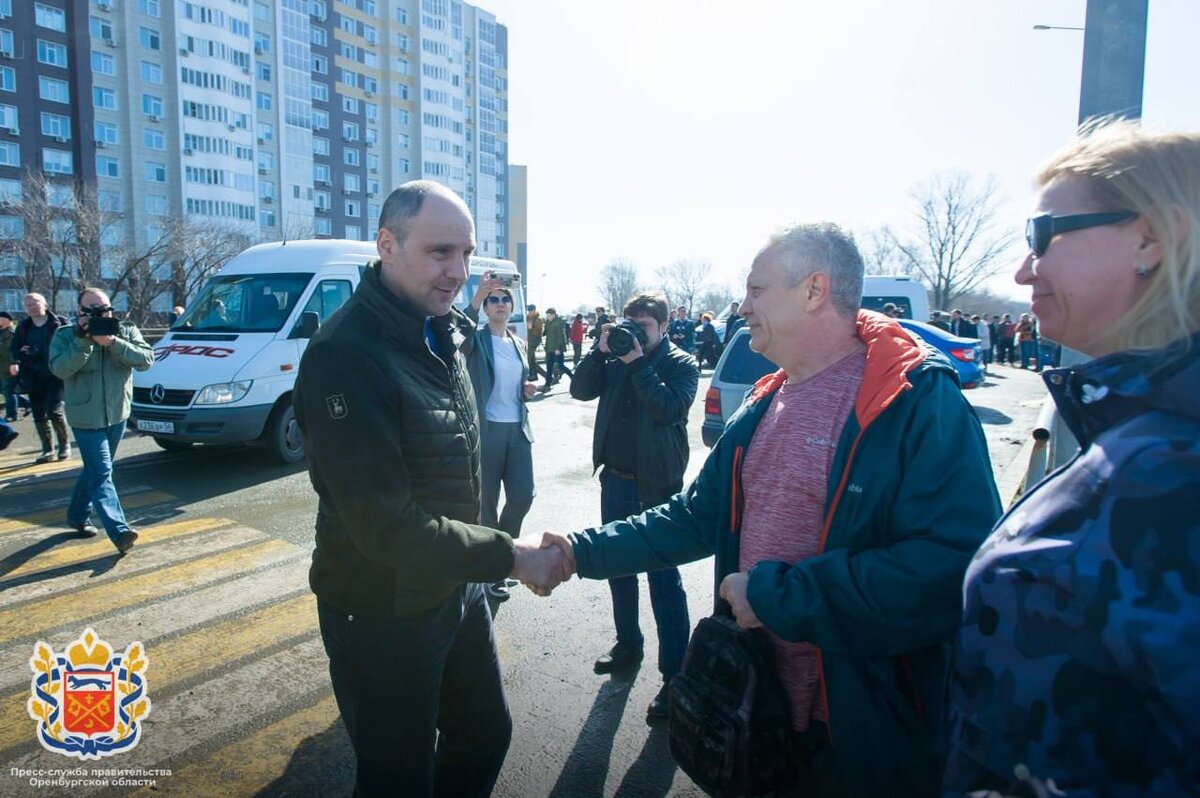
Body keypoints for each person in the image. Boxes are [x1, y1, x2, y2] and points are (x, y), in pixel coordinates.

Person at [536, 223, 1001, 796]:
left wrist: (782, 596)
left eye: (756, 291)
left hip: (862, 736)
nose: (742, 305)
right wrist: (577, 552)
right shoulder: (764, 402)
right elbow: (692, 518)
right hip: (761, 722)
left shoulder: (916, 402)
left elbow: (952, 568)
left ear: (814, 290)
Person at [944, 121, 1200, 797]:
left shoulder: (1168, 472)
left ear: (1150, 238)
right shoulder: (1145, 432)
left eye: (1042, 235)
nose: (1024, 269)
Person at [293, 180, 547, 797]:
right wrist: (509, 555)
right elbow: (385, 525)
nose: (459, 271)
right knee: (397, 779)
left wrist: (479, 564)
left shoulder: (449, 332)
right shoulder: (345, 355)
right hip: (382, 607)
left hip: (452, 585)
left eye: (467, 253)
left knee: (485, 734)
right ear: (387, 244)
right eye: (440, 252)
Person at [568, 291, 698, 723]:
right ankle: (628, 645)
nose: (633, 335)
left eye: (642, 327)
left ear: (663, 327)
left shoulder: (681, 363)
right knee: (618, 569)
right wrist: (599, 350)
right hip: (617, 481)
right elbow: (579, 390)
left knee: (663, 581)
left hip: (657, 485)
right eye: (629, 325)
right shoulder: (615, 356)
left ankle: (674, 677)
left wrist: (637, 362)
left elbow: (668, 409)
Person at [48, 288, 154, 551]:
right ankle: (119, 531)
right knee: (102, 472)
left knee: (95, 470)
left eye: (104, 308)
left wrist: (113, 343)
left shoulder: (125, 330)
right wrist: (83, 341)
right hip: (86, 418)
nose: (99, 313)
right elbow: (59, 369)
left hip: (117, 414)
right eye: (92, 309)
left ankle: (76, 515)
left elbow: (146, 360)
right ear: (80, 312)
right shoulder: (65, 336)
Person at [464, 279, 538, 603]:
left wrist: (527, 389)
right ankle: (493, 571)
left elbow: (520, 382)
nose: (499, 304)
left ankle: (503, 553)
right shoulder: (476, 340)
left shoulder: (519, 342)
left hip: (518, 431)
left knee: (523, 496)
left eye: (504, 299)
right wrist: (476, 296)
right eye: (492, 300)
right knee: (487, 504)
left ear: (512, 306)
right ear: (486, 306)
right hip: (489, 429)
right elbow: (456, 334)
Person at [11, 293, 71, 463]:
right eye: (28, 304)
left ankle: (64, 445)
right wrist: (22, 352)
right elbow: (14, 350)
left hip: (55, 374)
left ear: (45, 304)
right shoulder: (23, 327)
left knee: (54, 410)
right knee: (38, 413)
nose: (32, 306)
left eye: (35, 302)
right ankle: (48, 449)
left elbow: (72, 344)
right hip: (32, 374)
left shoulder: (59, 323)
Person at [1, 311, 29, 421]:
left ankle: (11, 414)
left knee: (8, 391)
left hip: (10, 366)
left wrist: (15, 363)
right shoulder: (2, 332)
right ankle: (27, 403)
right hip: (2, 367)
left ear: (7, 320)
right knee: (5, 390)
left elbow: (13, 350)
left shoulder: (12, 333)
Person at [539, 307, 572, 391]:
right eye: (547, 316)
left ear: (554, 315)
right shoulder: (548, 322)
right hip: (549, 348)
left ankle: (574, 378)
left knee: (561, 366)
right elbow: (545, 333)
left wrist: (558, 348)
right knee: (549, 366)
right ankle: (547, 384)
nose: (548, 317)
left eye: (549, 315)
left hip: (557, 348)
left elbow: (560, 337)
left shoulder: (558, 323)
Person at [525, 304, 546, 380]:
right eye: (528, 310)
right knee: (532, 359)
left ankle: (546, 375)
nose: (529, 312)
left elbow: (534, 329)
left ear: (534, 310)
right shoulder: (529, 317)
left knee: (530, 359)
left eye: (530, 310)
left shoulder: (538, 319)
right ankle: (534, 375)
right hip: (530, 340)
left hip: (535, 340)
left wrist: (530, 323)